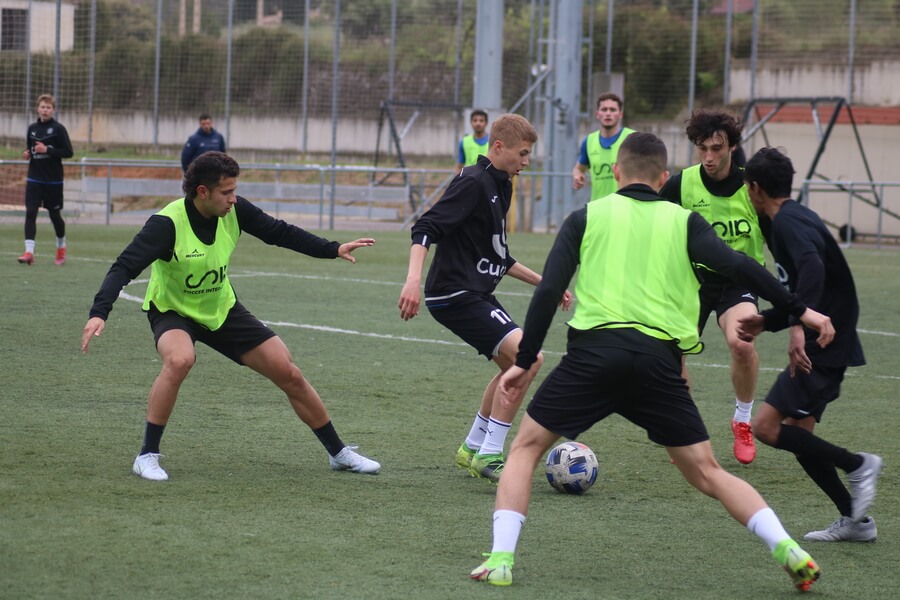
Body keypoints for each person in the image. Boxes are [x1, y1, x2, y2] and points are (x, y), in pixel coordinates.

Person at [469, 133, 833, 592]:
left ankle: (501, 559)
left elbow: (547, 292)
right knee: (708, 472)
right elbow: (744, 268)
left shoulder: (586, 216)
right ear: (663, 179)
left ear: (616, 173)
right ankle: (788, 548)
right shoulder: (685, 221)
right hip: (658, 363)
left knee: (523, 450)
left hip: (593, 357)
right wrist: (803, 310)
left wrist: (523, 360)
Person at [81, 151, 380, 481]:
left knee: (288, 371)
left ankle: (338, 453)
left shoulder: (235, 212)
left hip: (220, 308)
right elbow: (123, 266)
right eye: (227, 192)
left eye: (235, 191)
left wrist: (332, 248)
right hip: (173, 311)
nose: (233, 199)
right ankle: (147, 456)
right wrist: (99, 313)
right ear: (203, 192)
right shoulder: (166, 224)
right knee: (180, 360)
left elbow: (279, 232)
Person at [399, 114, 572, 483]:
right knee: (530, 358)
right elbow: (425, 227)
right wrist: (412, 280)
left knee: (513, 367)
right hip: (455, 293)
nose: (526, 162)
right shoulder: (473, 182)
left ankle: (473, 447)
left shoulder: (501, 183)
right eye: (522, 154)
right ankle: (491, 452)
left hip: (474, 292)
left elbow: (498, 257)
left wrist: (547, 284)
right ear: (498, 147)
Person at [739, 147, 882, 542]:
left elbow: (812, 267)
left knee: (766, 428)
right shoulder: (788, 216)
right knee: (801, 434)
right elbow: (795, 283)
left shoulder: (787, 223)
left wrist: (801, 321)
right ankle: (857, 522)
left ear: (754, 189)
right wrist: (771, 320)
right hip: (829, 331)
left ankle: (858, 465)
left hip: (826, 338)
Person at [659, 109, 763, 465]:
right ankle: (685, 430)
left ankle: (743, 420)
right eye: (702, 148)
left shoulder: (754, 186)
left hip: (739, 282)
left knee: (742, 344)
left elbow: (778, 234)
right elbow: (654, 224)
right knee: (671, 357)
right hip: (691, 282)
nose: (708, 156)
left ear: (732, 146)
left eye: (716, 148)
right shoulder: (681, 184)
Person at [18, 94, 73, 266]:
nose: (45, 110)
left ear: (53, 110)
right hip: (34, 179)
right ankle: (29, 252)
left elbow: (68, 152)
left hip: (53, 181)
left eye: (48, 107)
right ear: (38, 108)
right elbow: (31, 149)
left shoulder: (58, 129)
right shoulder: (32, 128)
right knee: (30, 212)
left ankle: (61, 247)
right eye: (42, 107)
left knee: (55, 216)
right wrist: (28, 153)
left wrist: (47, 149)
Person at [571, 92, 635, 201]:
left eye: (612, 110)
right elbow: (578, 169)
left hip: (625, 207)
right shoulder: (589, 141)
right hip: (598, 208)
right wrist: (578, 176)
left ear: (620, 114)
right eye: (604, 109)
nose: (608, 113)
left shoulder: (632, 138)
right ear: (597, 114)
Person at [456, 109, 489, 174]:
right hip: (469, 181)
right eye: (475, 120)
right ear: (471, 123)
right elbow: (459, 166)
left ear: (486, 123)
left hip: (488, 181)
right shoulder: (464, 142)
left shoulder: (493, 142)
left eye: (481, 120)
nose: (478, 123)